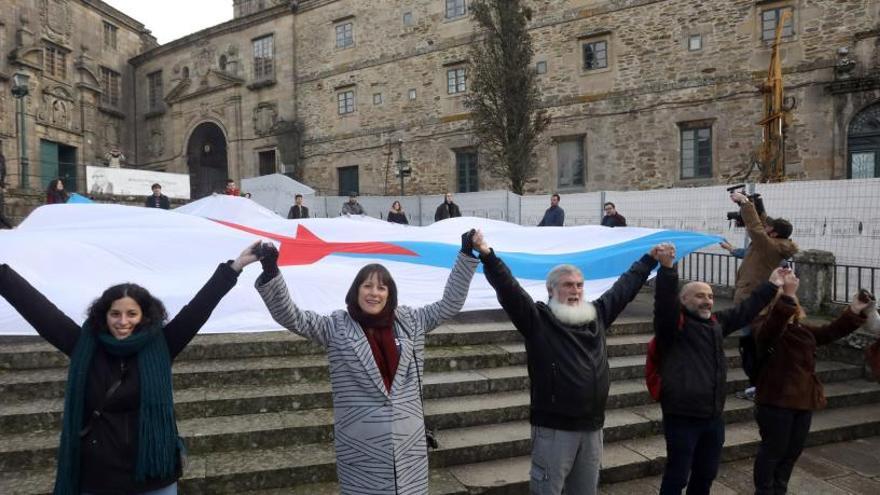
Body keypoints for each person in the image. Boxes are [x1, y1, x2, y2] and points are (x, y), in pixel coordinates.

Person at [0, 242, 258, 495]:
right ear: (104, 315)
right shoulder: (84, 346)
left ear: (144, 316)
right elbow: (39, 310)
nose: (123, 322)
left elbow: (199, 308)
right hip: (99, 476)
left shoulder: (163, 345)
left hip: (155, 473)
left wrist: (234, 268)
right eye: (115, 314)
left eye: (131, 314)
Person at [249, 231, 480, 494]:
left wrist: (466, 255)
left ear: (390, 293)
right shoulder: (336, 327)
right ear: (356, 290)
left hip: (408, 449)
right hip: (362, 452)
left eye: (382, 287)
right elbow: (292, 317)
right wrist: (271, 272)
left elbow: (449, 304)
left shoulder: (410, 322)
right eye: (367, 286)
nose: (374, 293)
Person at [473, 233, 664, 495]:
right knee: (547, 490)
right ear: (551, 290)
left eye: (579, 285)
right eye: (568, 285)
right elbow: (509, 290)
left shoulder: (596, 316)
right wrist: (487, 255)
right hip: (554, 429)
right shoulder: (538, 320)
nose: (575, 291)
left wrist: (648, 260)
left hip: (592, 427)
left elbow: (624, 289)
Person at [653, 246, 784, 495]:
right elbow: (663, 304)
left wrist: (772, 284)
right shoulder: (673, 328)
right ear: (683, 301)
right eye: (700, 296)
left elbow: (746, 310)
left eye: (710, 296)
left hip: (713, 417)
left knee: (706, 473)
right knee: (677, 475)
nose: (708, 301)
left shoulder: (716, 323)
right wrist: (668, 269)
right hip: (682, 416)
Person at [752, 271, 871, 495]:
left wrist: (854, 310)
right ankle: (764, 491)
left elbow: (830, 332)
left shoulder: (802, 330)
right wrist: (786, 294)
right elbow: (772, 327)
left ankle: (779, 489)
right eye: (786, 301)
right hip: (776, 402)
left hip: (802, 402)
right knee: (772, 451)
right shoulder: (762, 328)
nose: (791, 304)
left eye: (793, 301)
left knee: (791, 452)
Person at [728, 191, 798, 398]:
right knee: (751, 344)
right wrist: (758, 203)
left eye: (770, 227)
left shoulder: (769, 246)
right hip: (754, 299)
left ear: (774, 234)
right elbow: (764, 223)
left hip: (754, 301)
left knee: (751, 346)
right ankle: (759, 384)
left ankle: (757, 386)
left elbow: (756, 229)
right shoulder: (775, 242)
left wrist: (745, 204)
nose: (765, 226)